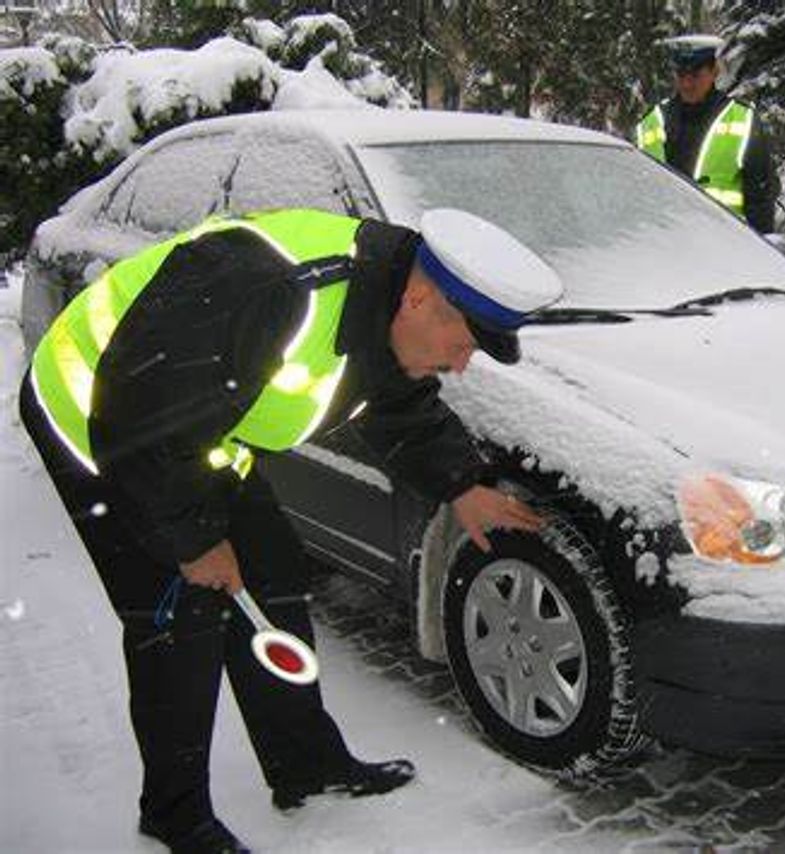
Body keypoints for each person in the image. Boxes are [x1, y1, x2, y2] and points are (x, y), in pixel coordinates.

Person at [20, 207, 563, 853]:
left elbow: (392, 400)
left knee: (273, 578)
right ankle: (174, 812)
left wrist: (460, 486)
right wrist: (193, 542)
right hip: (98, 422)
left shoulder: (384, 304)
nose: (463, 364)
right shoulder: (270, 286)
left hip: (199, 438)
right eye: (464, 344)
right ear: (421, 299)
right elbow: (136, 410)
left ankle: (304, 765)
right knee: (180, 620)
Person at [635, 34, 780, 234]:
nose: (687, 84)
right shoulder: (651, 122)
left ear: (715, 72)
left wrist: (761, 248)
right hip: (664, 242)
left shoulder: (742, 119)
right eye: (681, 76)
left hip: (724, 244)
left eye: (695, 76)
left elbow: (760, 197)